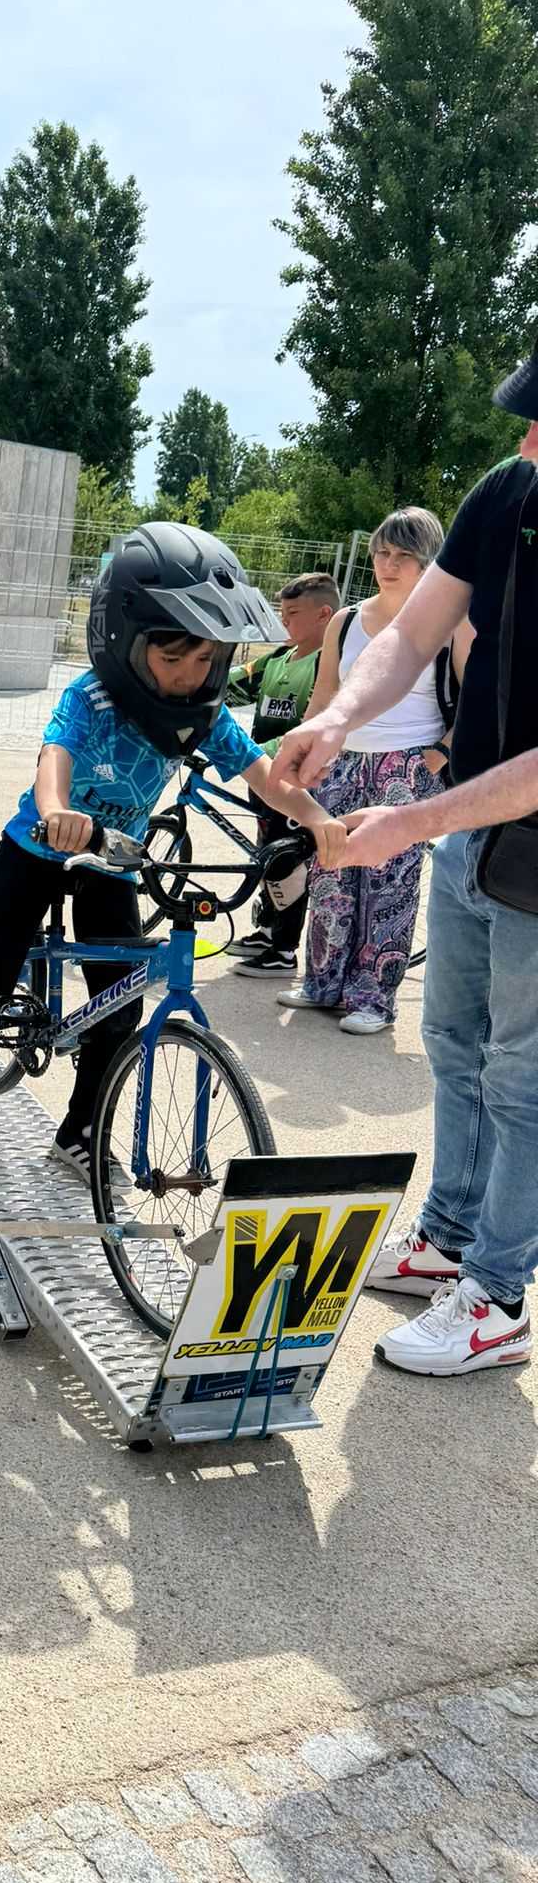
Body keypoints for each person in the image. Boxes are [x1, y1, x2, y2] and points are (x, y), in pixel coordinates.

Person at [0, 524, 346, 1169]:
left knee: (115, 1009)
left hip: (115, 862)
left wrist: (317, 819)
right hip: (38, 848)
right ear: (126, 643)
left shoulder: (207, 713)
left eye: (204, 661)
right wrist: (57, 811)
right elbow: (54, 753)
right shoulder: (90, 696)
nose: (187, 676)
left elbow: (264, 776)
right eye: (172, 660)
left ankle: (79, 1130)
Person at [274, 358, 538, 1378]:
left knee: (522, 1075)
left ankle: (501, 1293)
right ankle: (447, 1236)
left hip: (521, 837)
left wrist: (411, 817)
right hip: (477, 828)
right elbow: (415, 627)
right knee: (453, 1041)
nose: (523, 441)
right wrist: (336, 718)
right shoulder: (508, 493)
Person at [275, 510, 473, 1033]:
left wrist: (435, 758)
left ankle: (373, 998)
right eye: (383, 552)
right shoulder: (345, 620)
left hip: (406, 760)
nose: (390, 564)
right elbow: (325, 695)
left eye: (404, 556)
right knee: (331, 871)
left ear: (427, 561)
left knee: (390, 884)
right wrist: (306, 747)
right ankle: (322, 981)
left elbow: (474, 699)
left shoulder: (449, 622)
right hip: (343, 760)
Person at [224, 571, 340, 976]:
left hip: (295, 780)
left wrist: (251, 755)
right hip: (264, 776)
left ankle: (284, 951)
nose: (283, 620)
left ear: (324, 614)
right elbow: (233, 687)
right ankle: (267, 928)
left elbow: (314, 726)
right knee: (267, 850)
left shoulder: (329, 665)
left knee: (288, 859)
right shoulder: (277, 658)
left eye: (292, 613)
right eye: (282, 611)